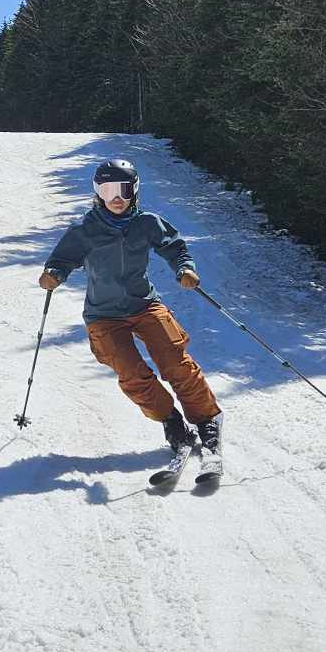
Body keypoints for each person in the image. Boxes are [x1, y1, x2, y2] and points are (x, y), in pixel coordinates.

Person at [39, 158, 222, 464]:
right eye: (108, 190)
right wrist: (53, 274)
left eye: (122, 189)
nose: (116, 198)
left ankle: (206, 420)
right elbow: (61, 259)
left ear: (134, 190)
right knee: (131, 373)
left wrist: (184, 269)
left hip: (144, 304)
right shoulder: (85, 230)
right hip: (103, 315)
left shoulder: (146, 223)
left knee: (175, 361)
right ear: (98, 192)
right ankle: (172, 423)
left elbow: (175, 247)